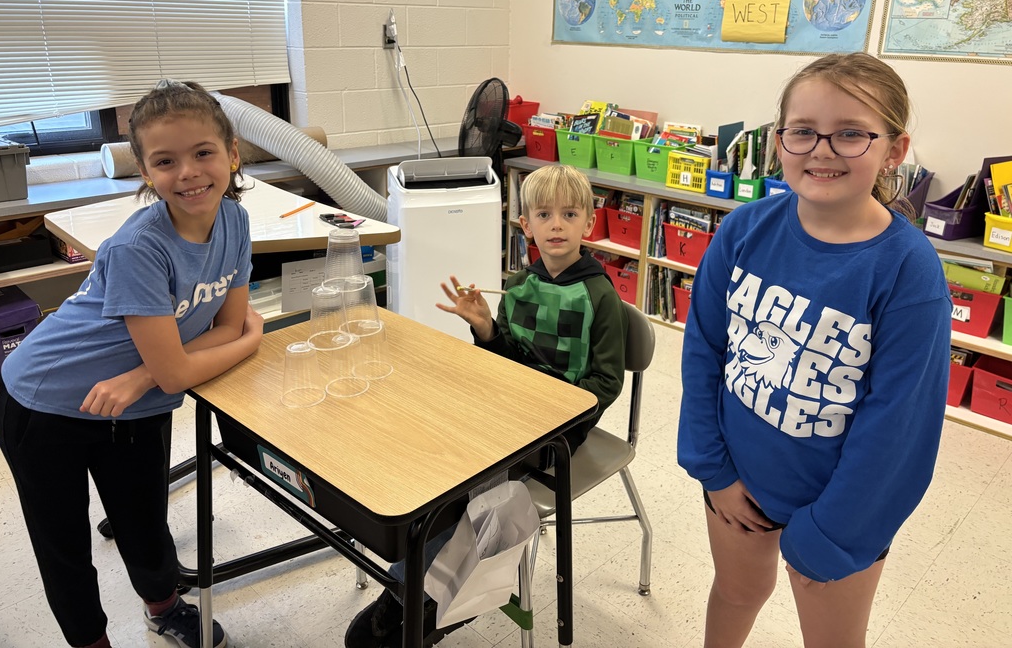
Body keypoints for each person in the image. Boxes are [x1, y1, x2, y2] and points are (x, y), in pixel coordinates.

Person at [678, 52, 951, 648]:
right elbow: (703, 350)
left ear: (894, 150)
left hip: (840, 509)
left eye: (851, 134)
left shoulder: (908, 271)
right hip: (737, 483)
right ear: (779, 141)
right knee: (736, 593)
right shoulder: (744, 228)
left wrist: (830, 532)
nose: (821, 150)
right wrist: (714, 470)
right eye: (803, 131)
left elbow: (899, 426)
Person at [0, 80, 264, 648]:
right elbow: (222, 343)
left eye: (203, 153)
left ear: (232, 154)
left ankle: (164, 611)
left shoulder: (236, 222)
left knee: (144, 521)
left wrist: (145, 375)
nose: (187, 172)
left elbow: (222, 328)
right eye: (165, 161)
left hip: (131, 398)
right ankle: (91, 642)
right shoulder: (140, 247)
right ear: (145, 171)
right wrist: (250, 340)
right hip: (45, 402)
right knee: (62, 545)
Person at [344, 162, 628, 648]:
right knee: (434, 458)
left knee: (466, 489)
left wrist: (552, 401)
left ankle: (422, 597)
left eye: (569, 213)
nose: (556, 224)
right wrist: (485, 328)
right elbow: (504, 362)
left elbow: (606, 382)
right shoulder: (518, 287)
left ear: (589, 222)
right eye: (544, 214)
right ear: (526, 225)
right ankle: (414, 582)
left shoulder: (600, 296)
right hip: (510, 411)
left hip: (559, 428)